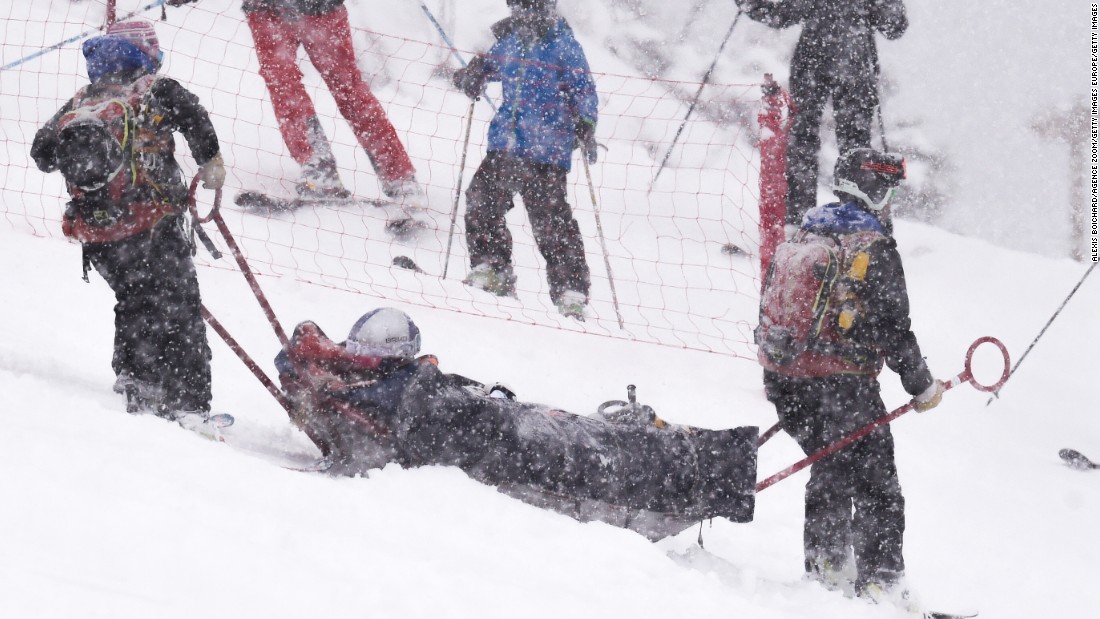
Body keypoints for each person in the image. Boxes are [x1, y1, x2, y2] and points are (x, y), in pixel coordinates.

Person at [274, 307, 759, 540]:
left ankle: (703, 461)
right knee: (600, 453)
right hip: (519, 441)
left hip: (512, 428)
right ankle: (705, 464)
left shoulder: (396, 388)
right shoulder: (407, 394)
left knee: (596, 443)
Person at [755, 149, 943, 607]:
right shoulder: (871, 247)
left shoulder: (806, 231)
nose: (889, 201)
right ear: (873, 189)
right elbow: (894, 327)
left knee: (831, 464)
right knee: (878, 483)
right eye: (888, 191)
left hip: (786, 377)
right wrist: (922, 386)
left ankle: (826, 565)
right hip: (841, 384)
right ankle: (882, 581)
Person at [31, 20, 225, 421]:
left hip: (100, 234)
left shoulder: (83, 99)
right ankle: (189, 404)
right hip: (155, 225)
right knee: (180, 307)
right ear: (149, 54)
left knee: (134, 300)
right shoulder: (158, 90)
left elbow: (42, 153)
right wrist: (211, 162)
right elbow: (196, 117)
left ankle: (138, 380)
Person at [168, 0, 427, 221]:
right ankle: (318, 166)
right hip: (267, 8)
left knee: (347, 87)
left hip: (319, 6)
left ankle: (400, 177)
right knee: (283, 84)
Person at [451, 0, 599, 319]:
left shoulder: (564, 47)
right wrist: (472, 74)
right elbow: (489, 65)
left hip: (547, 150)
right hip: (506, 145)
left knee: (551, 222)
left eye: (534, 7)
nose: (526, 15)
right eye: (519, 7)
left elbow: (584, 89)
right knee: (482, 201)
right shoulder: (511, 41)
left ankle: (571, 291)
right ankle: (491, 269)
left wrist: (585, 122)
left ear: (549, 8)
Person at [736, 0, 908, 228]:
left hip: (815, 62)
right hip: (852, 64)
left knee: (806, 140)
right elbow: (894, 26)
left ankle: (799, 220)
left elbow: (782, 14)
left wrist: (751, 4)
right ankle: (853, 219)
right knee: (852, 146)